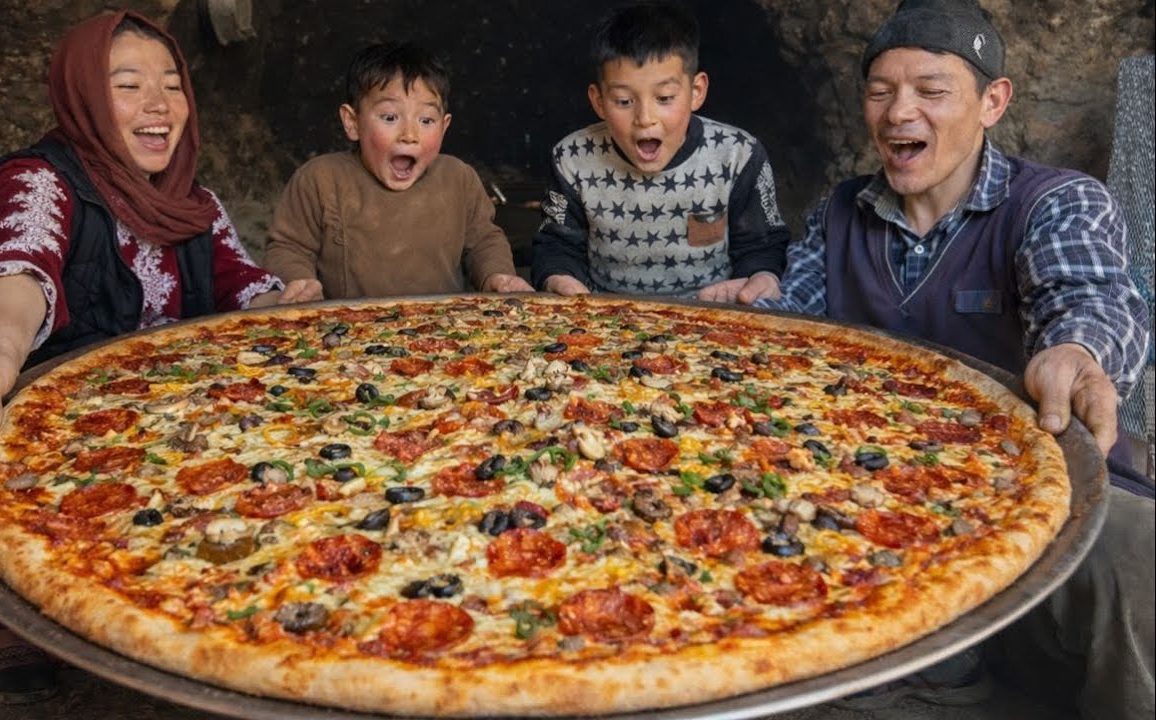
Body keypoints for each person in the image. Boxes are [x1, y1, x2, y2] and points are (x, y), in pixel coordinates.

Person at [755, 1, 1154, 717]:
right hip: (868, 482)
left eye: (931, 91)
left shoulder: (1056, 202)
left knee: (1140, 558)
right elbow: (790, 320)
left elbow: (1088, 292)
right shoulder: (840, 209)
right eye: (881, 91)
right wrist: (722, 317)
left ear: (992, 101)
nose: (899, 112)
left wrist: (1076, 347)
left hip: (1042, 480)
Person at [0, 11, 285, 703]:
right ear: (85, 100)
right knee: (8, 532)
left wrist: (283, 305)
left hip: (168, 421)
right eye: (128, 85)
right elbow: (18, 268)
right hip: (49, 420)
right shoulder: (37, 181)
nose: (160, 105)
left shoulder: (193, 201)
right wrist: (0, 352)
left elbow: (239, 284)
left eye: (172, 85)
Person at [530, 0, 789, 302]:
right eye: (624, 101)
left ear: (696, 92)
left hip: (716, 319)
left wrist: (760, 278)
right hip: (603, 323)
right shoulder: (571, 159)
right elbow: (557, 246)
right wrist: (559, 279)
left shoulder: (738, 155)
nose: (644, 118)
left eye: (664, 97)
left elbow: (763, 245)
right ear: (598, 101)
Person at [265, 42, 532, 301]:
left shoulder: (458, 178)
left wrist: (497, 275)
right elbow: (288, 248)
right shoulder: (321, 179)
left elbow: (484, 242)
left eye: (426, 120)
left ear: (444, 126)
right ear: (352, 122)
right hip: (346, 334)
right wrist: (299, 282)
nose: (409, 135)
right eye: (390, 117)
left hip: (444, 333)